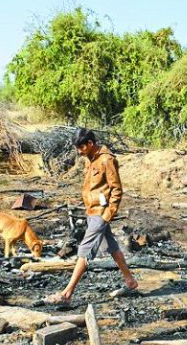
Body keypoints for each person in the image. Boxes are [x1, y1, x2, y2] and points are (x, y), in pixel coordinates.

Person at [44, 128, 138, 304]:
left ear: (90, 143)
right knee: (112, 248)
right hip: (92, 211)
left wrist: (108, 214)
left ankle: (66, 294)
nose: (79, 151)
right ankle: (130, 281)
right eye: (77, 148)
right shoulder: (89, 158)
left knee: (84, 250)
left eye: (82, 147)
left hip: (101, 214)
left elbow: (116, 189)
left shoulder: (107, 160)